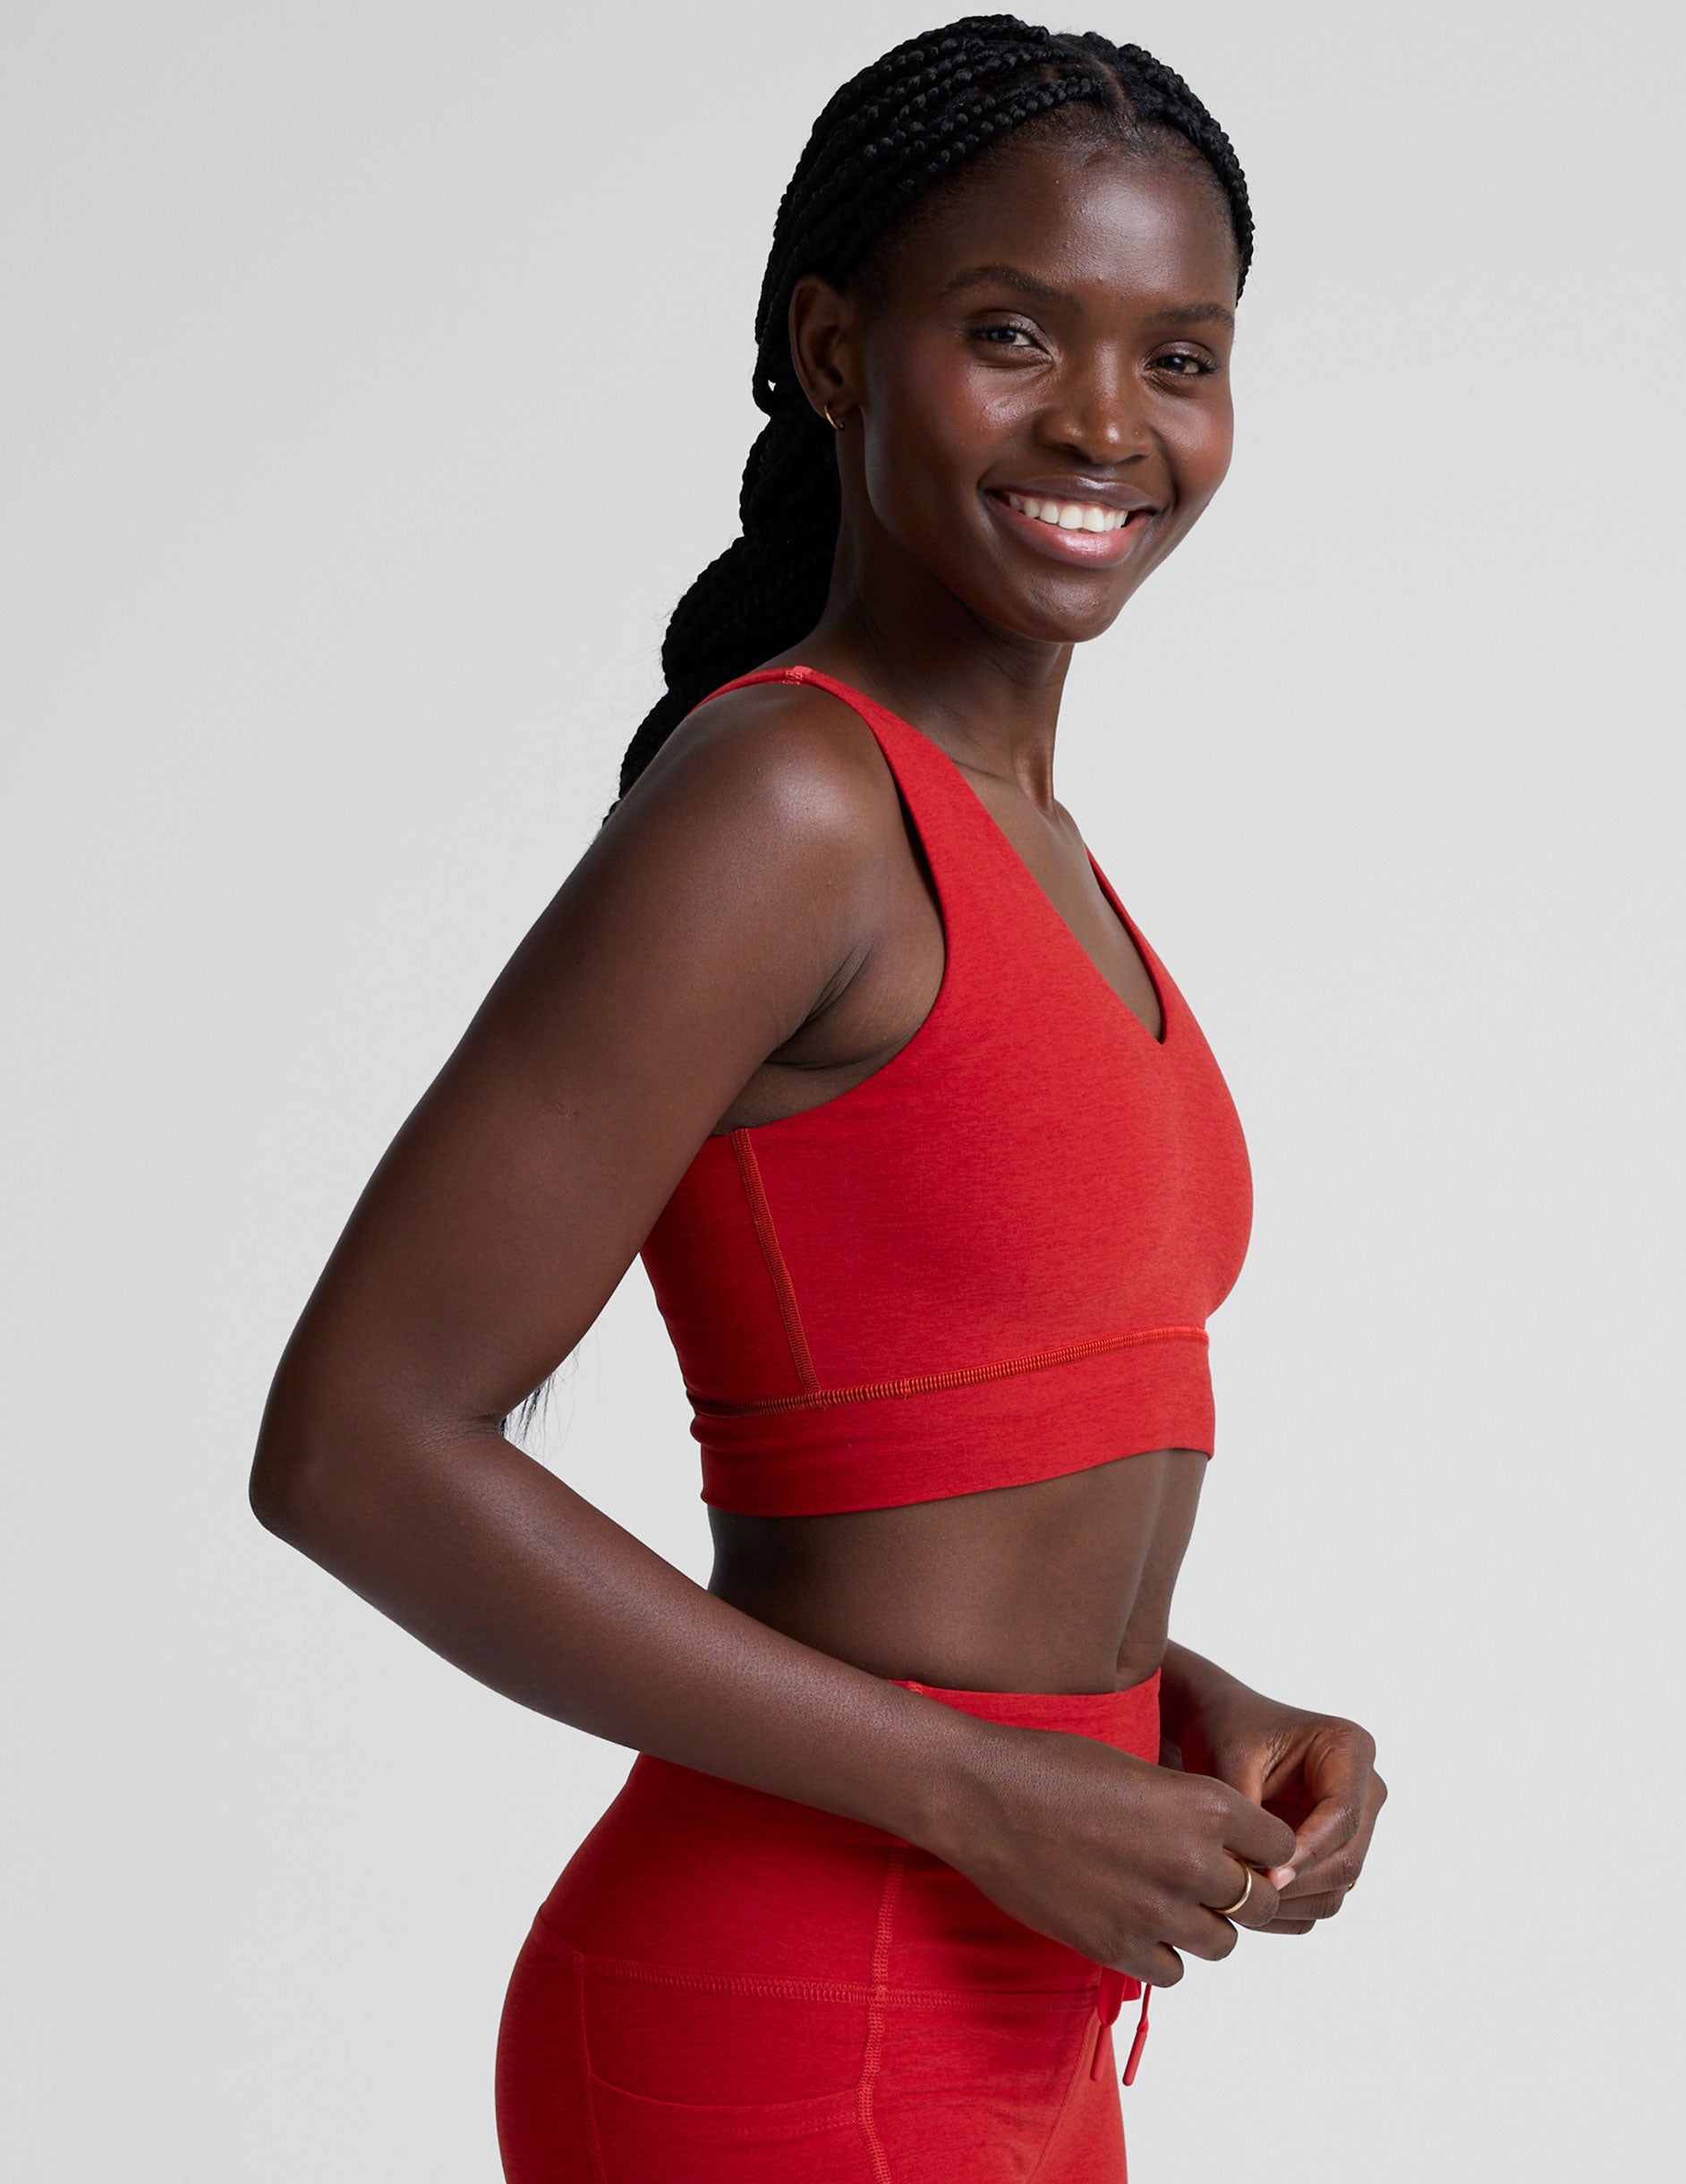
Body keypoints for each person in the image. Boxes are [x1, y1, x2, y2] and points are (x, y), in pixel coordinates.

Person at [251, 17, 1385, 2180]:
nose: (1105, 420)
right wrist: (977, 1782)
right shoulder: (790, 799)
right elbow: (355, 1445)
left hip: (1027, 2012)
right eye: (1014, 332)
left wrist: (1167, 1696)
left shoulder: (1025, 840)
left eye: (1180, 356)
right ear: (836, 350)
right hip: (791, 2007)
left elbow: (936, 1497)